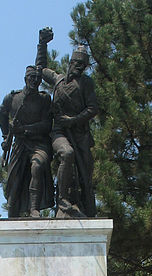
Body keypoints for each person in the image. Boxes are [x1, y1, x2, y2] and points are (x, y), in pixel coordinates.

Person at [35, 28, 99, 218]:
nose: (79, 67)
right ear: (70, 62)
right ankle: (61, 199)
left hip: (79, 134)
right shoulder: (58, 80)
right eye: (77, 63)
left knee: (84, 175)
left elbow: (92, 108)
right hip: (59, 132)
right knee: (67, 153)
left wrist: (73, 120)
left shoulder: (86, 84)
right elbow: (40, 69)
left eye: (83, 65)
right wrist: (42, 44)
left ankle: (77, 203)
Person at [0, 66, 55, 217]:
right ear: (25, 79)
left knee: (38, 166)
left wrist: (24, 129)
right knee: (14, 178)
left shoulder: (44, 99)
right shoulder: (13, 98)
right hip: (20, 144)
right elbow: (1, 112)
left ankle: (34, 208)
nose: (34, 81)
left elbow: (47, 124)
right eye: (31, 78)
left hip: (39, 143)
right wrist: (5, 136)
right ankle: (12, 208)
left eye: (37, 78)